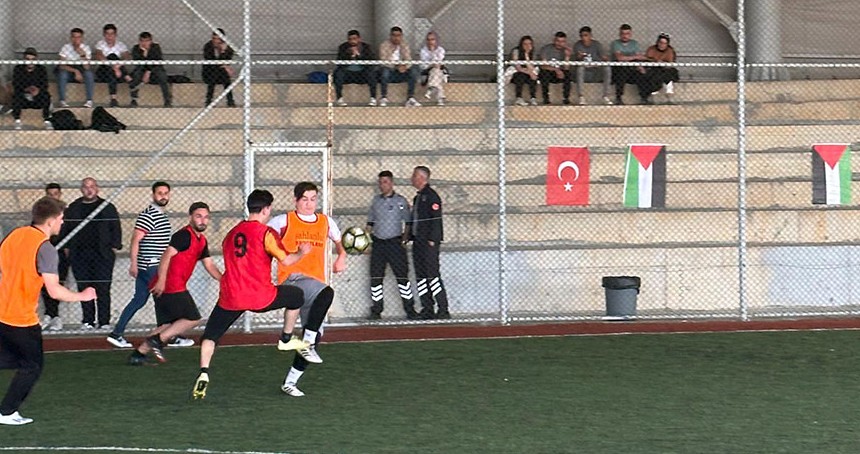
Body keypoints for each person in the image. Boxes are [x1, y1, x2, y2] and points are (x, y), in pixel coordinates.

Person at [192, 190, 311, 399]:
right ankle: (285, 338)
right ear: (266, 209)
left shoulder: (230, 234)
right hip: (260, 296)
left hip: (231, 296)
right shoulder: (266, 233)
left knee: (210, 335)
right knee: (296, 296)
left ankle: (203, 373)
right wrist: (302, 252)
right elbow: (286, 261)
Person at [0, 197, 97, 425]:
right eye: (61, 218)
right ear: (52, 220)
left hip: (2, 312)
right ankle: (6, 412)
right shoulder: (46, 249)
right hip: (21, 319)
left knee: (11, 358)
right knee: (32, 366)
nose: (62, 223)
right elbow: (54, 291)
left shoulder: (15, 235)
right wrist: (82, 296)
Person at [268, 182, 347, 397]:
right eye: (305, 199)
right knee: (327, 295)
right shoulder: (283, 221)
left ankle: (290, 381)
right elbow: (263, 239)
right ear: (296, 200)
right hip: (293, 281)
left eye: (313, 198)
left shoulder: (325, 222)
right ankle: (308, 342)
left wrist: (341, 256)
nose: (309, 203)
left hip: (315, 285)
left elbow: (339, 242)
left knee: (315, 336)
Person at [129, 202, 222, 365]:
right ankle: (158, 340)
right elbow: (166, 256)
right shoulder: (183, 235)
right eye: (198, 216)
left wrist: (224, 280)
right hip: (169, 285)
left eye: (206, 217)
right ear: (190, 217)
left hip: (171, 285)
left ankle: (138, 354)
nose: (202, 221)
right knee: (193, 318)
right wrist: (162, 281)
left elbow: (209, 265)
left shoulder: (202, 241)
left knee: (168, 324)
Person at [107, 181, 175, 348]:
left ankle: (117, 333)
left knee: (139, 300)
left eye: (166, 193)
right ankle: (169, 335)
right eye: (160, 193)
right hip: (151, 265)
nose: (163, 196)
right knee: (166, 299)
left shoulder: (161, 215)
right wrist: (133, 263)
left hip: (152, 265)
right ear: (153, 195)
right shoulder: (148, 215)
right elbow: (136, 240)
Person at [61, 178, 122, 330]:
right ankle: (88, 321)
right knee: (84, 288)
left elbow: (116, 228)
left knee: (103, 288)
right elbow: (65, 230)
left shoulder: (107, 207)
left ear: (97, 188)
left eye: (92, 187)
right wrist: (68, 250)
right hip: (80, 255)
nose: (89, 190)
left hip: (102, 255)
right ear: (81, 189)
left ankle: (104, 322)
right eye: (86, 187)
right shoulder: (73, 208)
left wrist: (113, 248)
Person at [366, 171, 417, 320]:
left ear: (392, 183)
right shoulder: (376, 201)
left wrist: (405, 239)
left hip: (395, 243)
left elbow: (407, 222)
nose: (383, 185)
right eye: (381, 182)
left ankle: (410, 309)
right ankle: (376, 309)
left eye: (386, 182)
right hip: (378, 243)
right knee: (376, 278)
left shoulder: (400, 201)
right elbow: (370, 223)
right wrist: (366, 240)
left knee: (402, 278)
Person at [409, 166, 449, 319]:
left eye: (414, 176)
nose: (412, 178)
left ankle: (442, 308)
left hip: (428, 243)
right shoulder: (418, 197)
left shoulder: (431, 196)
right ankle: (427, 307)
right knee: (421, 276)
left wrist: (433, 239)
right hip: (418, 242)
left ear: (422, 178)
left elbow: (435, 219)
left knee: (432, 275)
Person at [39, 184, 70, 331]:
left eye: (56, 194)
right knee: (44, 284)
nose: (53, 197)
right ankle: (49, 314)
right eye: (50, 194)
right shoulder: (41, 213)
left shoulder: (66, 214)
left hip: (60, 253)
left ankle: (56, 316)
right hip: (46, 252)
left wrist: (66, 248)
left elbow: (70, 232)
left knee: (58, 283)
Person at [379, 26, 422, 107]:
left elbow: (409, 59)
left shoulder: (404, 45)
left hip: (402, 70)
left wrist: (405, 66)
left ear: (401, 36)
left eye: (398, 35)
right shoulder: (384, 45)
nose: (396, 38)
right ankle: (383, 97)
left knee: (414, 69)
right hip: (391, 69)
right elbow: (383, 60)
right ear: (390, 36)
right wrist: (396, 66)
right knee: (384, 71)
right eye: (394, 35)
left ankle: (410, 97)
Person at [334, 30, 378, 107]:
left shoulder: (366, 47)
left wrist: (359, 55)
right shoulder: (343, 47)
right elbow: (339, 62)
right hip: (348, 73)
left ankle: (373, 98)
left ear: (359, 39)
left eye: (354, 38)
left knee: (371, 73)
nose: (352, 41)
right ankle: (339, 98)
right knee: (338, 73)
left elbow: (371, 60)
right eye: (350, 39)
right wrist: (350, 55)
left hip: (362, 73)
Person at [12, 48, 52, 130]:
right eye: (28, 59)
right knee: (16, 96)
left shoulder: (41, 69)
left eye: (33, 59)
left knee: (46, 95)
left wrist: (38, 90)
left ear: (36, 60)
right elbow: (16, 84)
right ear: (24, 59)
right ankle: (17, 120)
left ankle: (47, 120)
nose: (30, 62)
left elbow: (45, 84)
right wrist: (26, 89)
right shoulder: (18, 68)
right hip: (23, 98)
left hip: (37, 99)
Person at [93, 24, 132, 108]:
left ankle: (113, 99)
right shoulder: (100, 44)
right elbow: (99, 55)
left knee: (113, 59)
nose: (109, 36)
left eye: (112, 34)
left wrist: (117, 66)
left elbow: (127, 56)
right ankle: (128, 77)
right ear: (104, 34)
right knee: (111, 56)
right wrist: (114, 67)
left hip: (117, 73)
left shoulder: (120, 44)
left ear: (115, 35)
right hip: (103, 73)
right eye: (107, 34)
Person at [129, 32, 172, 108]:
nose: (145, 43)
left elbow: (157, 61)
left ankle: (167, 100)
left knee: (162, 75)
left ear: (151, 41)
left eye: (147, 41)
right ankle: (134, 99)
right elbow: (138, 62)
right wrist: (144, 54)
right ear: (139, 41)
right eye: (142, 41)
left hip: (154, 69)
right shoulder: (136, 48)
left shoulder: (156, 47)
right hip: (141, 69)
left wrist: (148, 71)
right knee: (136, 74)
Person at [573, 26, 613, 106]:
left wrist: (605, 58)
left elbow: (604, 57)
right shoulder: (578, 45)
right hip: (585, 71)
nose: (584, 38)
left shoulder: (597, 45)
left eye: (586, 35)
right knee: (580, 69)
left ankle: (606, 96)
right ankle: (581, 97)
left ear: (590, 35)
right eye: (582, 36)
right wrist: (580, 56)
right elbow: (578, 59)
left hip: (596, 70)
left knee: (607, 68)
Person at [57, 27, 95, 108]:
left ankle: (89, 100)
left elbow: (87, 67)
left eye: (78, 37)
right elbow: (61, 65)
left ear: (82, 38)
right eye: (74, 37)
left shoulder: (86, 48)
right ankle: (62, 100)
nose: (76, 39)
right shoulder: (66, 47)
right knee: (62, 74)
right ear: (71, 38)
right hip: (69, 71)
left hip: (82, 71)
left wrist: (82, 55)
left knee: (89, 74)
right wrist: (75, 71)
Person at [638, 33, 679, 105]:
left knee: (671, 72)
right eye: (660, 42)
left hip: (665, 69)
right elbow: (647, 60)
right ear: (657, 42)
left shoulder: (670, 50)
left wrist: (662, 63)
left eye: (664, 43)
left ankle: (667, 90)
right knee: (646, 75)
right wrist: (656, 61)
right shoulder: (651, 49)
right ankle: (651, 93)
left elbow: (670, 64)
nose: (662, 45)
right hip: (654, 69)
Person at [610, 24, 645, 105]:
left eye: (627, 34)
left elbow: (638, 58)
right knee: (622, 72)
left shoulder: (634, 43)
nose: (625, 36)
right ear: (619, 34)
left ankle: (644, 97)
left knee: (642, 74)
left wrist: (639, 66)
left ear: (630, 34)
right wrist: (633, 57)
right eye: (623, 33)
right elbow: (619, 58)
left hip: (631, 67)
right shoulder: (615, 43)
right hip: (618, 68)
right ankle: (619, 97)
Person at [202, 28, 236, 107]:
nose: (216, 41)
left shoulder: (228, 47)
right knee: (215, 74)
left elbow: (228, 60)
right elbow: (210, 60)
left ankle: (229, 101)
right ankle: (209, 100)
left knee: (225, 78)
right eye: (214, 38)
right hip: (210, 70)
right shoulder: (208, 46)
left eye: (218, 39)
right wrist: (223, 63)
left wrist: (223, 52)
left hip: (221, 70)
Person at [538, 32, 572, 105]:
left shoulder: (565, 50)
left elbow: (566, 68)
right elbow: (543, 65)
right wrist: (556, 70)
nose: (559, 43)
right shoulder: (546, 49)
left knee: (568, 74)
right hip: (549, 72)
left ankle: (566, 98)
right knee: (544, 73)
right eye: (558, 41)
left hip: (560, 74)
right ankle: (546, 98)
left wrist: (567, 57)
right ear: (554, 40)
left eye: (562, 42)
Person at [419, 31, 447, 106]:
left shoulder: (441, 50)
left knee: (436, 71)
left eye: (432, 39)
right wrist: (432, 64)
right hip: (427, 71)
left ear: (437, 40)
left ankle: (431, 88)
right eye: (428, 40)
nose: (430, 42)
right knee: (436, 71)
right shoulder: (423, 51)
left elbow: (439, 62)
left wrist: (433, 52)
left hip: (438, 70)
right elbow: (423, 66)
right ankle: (440, 98)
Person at [510, 35, 539, 106]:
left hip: (528, 71)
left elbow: (532, 67)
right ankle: (519, 97)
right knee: (521, 76)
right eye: (525, 44)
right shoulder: (516, 51)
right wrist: (530, 73)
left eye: (529, 44)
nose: (527, 46)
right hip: (517, 72)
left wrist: (527, 55)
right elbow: (518, 67)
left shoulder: (533, 52)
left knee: (533, 79)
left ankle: (533, 98)